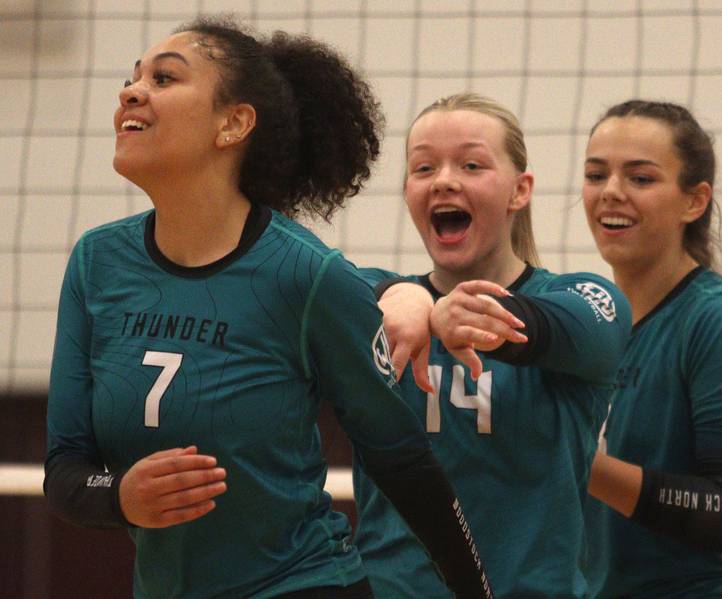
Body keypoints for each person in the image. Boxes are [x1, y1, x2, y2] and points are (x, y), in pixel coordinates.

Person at [43, 17, 494, 599]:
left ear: (233, 124)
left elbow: (403, 462)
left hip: (301, 583)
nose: (131, 92)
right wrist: (120, 494)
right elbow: (66, 470)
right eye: (132, 79)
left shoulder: (304, 275)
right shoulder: (97, 262)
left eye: (164, 78)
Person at [351, 92, 632, 598]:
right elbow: (311, 284)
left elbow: (583, 327)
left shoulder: (584, 298)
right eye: (423, 167)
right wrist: (401, 294)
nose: (444, 180)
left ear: (519, 191)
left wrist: (448, 315)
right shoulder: (375, 304)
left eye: (472, 164)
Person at [581, 100, 722, 597]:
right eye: (595, 174)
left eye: (640, 179)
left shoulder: (720, 321)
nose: (611, 192)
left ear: (694, 202)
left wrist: (578, 461)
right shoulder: (586, 320)